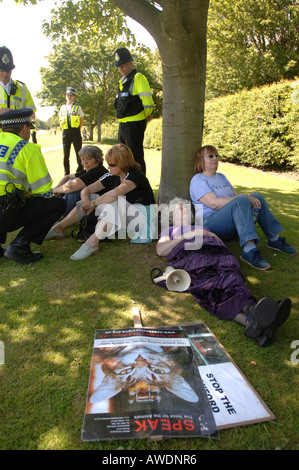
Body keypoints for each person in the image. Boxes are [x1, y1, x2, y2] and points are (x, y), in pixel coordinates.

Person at [155, 198, 291, 347]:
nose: (182, 211)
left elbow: (220, 242)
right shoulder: (169, 231)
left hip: (218, 254)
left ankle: (252, 315)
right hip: (191, 257)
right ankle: (257, 322)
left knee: (232, 280)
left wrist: (208, 235)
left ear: (192, 215)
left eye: (185, 208)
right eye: (178, 209)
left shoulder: (203, 227)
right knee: (211, 288)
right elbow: (161, 250)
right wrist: (188, 235)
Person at [189, 145, 296, 271]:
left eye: (217, 156)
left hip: (230, 223)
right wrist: (241, 198)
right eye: (210, 156)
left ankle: (274, 238)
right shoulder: (198, 180)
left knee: (257, 197)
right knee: (241, 200)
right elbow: (214, 203)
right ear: (200, 160)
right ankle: (249, 250)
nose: (215, 159)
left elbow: (235, 197)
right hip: (210, 224)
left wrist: (247, 197)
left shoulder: (221, 177)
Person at [45, 144, 156, 260]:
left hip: (144, 223)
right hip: (129, 219)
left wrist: (93, 205)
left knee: (116, 202)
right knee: (93, 197)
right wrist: (86, 201)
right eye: (108, 163)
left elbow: (115, 194)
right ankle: (59, 228)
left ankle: (92, 243)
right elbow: (86, 190)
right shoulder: (113, 174)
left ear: (123, 163)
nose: (108, 167)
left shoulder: (135, 175)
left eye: (112, 164)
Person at [0, 109, 66, 264]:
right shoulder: (27, 149)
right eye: (30, 128)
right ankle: (19, 245)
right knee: (57, 204)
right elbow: (43, 192)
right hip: (5, 212)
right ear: (24, 128)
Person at [114, 47, 154, 175]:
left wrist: (142, 117)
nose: (121, 69)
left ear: (131, 63)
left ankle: (141, 189)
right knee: (122, 159)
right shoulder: (121, 82)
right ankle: (126, 189)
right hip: (123, 125)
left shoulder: (138, 78)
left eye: (123, 66)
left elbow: (148, 104)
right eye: (119, 67)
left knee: (135, 159)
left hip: (134, 124)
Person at [52, 145, 108, 217]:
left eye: (88, 159)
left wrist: (54, 190)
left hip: (97, 205)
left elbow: (71, 186)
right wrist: (56, 189)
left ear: (97, 160)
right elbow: (67, 176)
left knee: (76, 189)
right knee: (70, 180)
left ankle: (62, 214)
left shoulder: (97, 171)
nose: (85, 162)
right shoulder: (88, 170)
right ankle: (57, 208)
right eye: (82, 159)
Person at [0, 46, 36, 120]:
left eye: (8, 70)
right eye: (2, 70)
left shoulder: (22, 88)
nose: (5, 74)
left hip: (15, 131)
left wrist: (16, 115)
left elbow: (32, 116)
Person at [59, 86, 84, 175]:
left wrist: (77, 130)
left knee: (79, 153)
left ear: (74, 97)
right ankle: (66, 172)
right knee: (66, 154)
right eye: (68, 95)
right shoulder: (62, 107)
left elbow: (81, 121)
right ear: (66, 95)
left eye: (71, 95)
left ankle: (80, 171)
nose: (69, 97)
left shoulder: (78, 107)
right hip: (65, 132)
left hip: (75, 132)